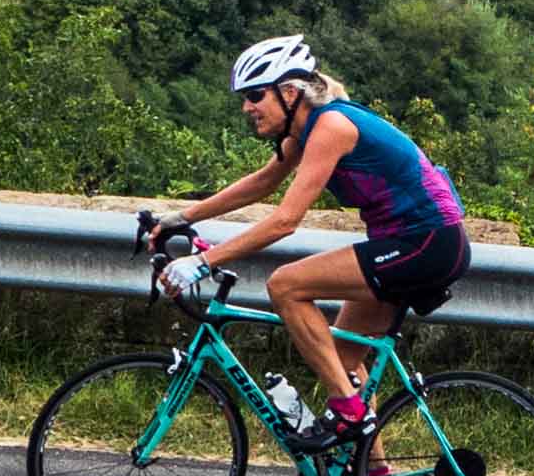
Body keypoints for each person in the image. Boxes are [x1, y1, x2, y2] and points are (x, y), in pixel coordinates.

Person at [148, 35, 471, 453]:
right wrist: (181, 216)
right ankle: (372, 474)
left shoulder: (332, 126)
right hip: (407, 242)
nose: (247, 106)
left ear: (288, 93)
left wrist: (202, 263)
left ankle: (349, 414)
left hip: (427, 243)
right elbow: (260, 184)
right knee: (339, 358)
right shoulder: (304, 131)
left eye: (254, 95)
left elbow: (285, 221)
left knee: (285, 285)